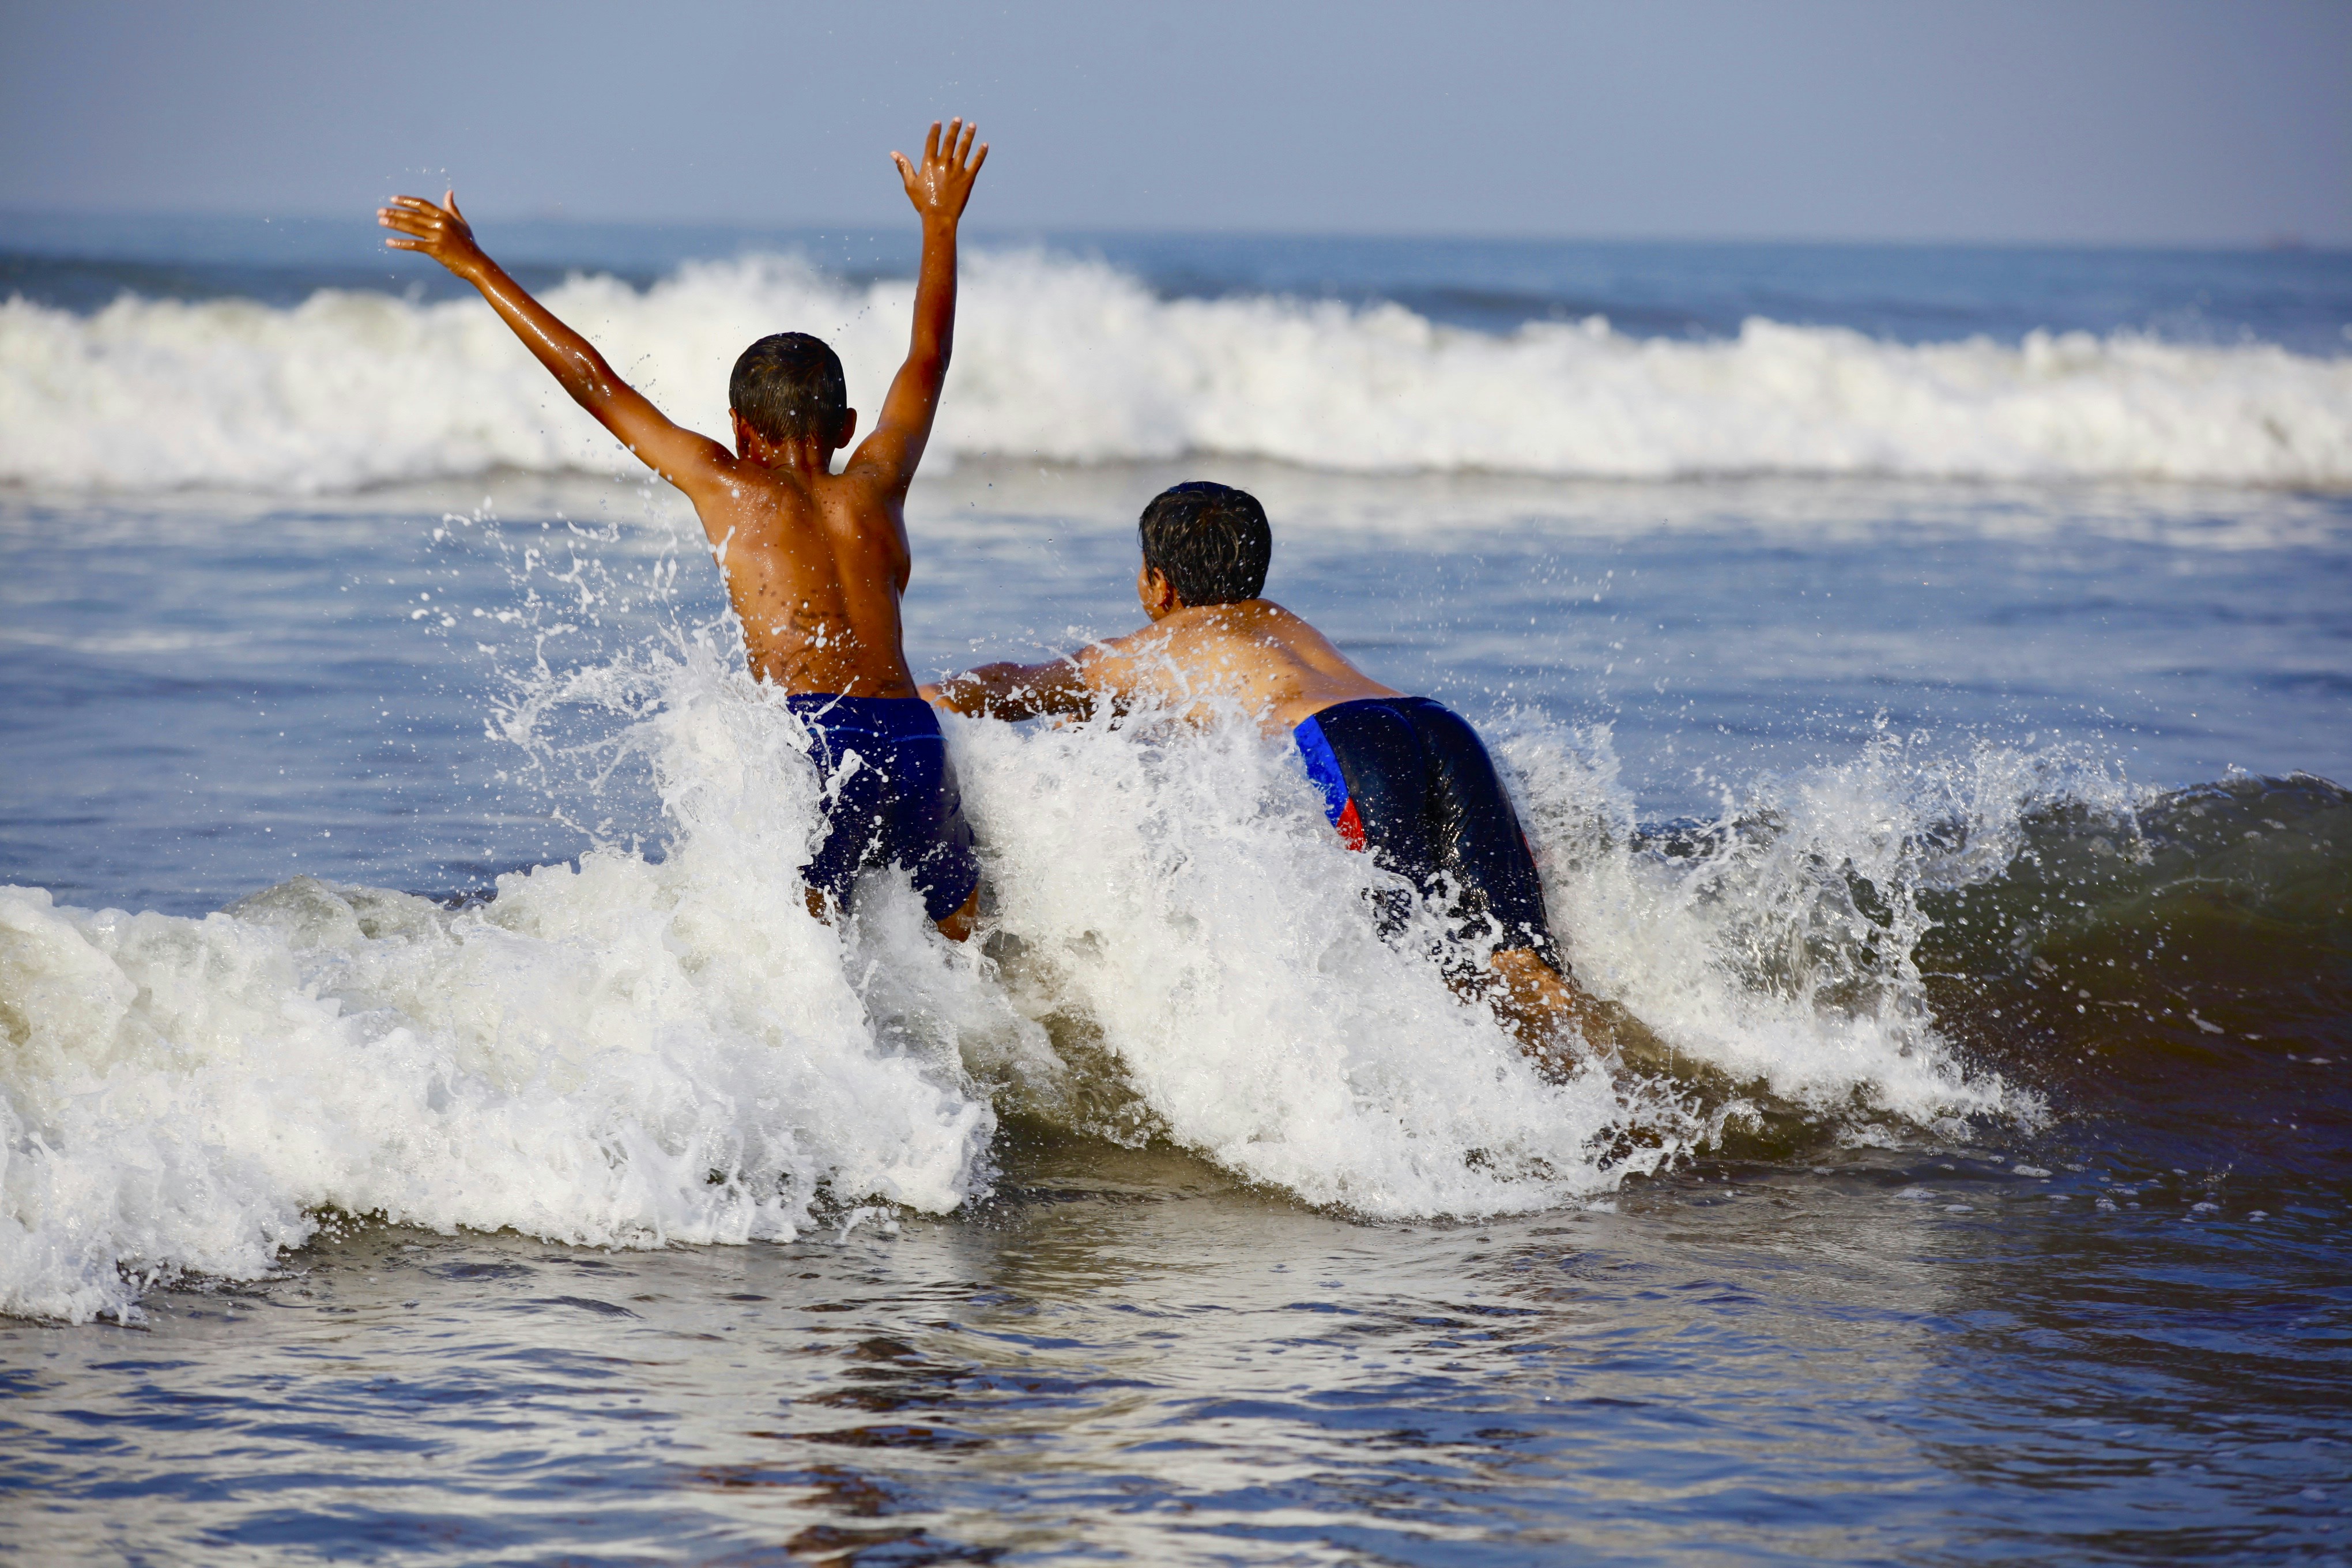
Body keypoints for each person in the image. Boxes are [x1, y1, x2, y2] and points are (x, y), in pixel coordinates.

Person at [379, 120, 990, 939]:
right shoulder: (877, 484)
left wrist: (475, 263)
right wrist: (939, 224)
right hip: (913, 732)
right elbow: (927, 358)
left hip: (816, 739)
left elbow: (594, 381)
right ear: (846, 426)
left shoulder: (724, 482)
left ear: (740, 430)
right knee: (962, 938)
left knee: (805, 946)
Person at [924, 481, 1653, 1066]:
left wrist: (922, 698)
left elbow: (1017, 683)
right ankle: (1624, 1103)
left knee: (1420, 965)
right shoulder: (1283, 620)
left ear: (1156, 583)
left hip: (1350, 742)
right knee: (1524, 964)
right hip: (1435, 723)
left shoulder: (1159, 644)